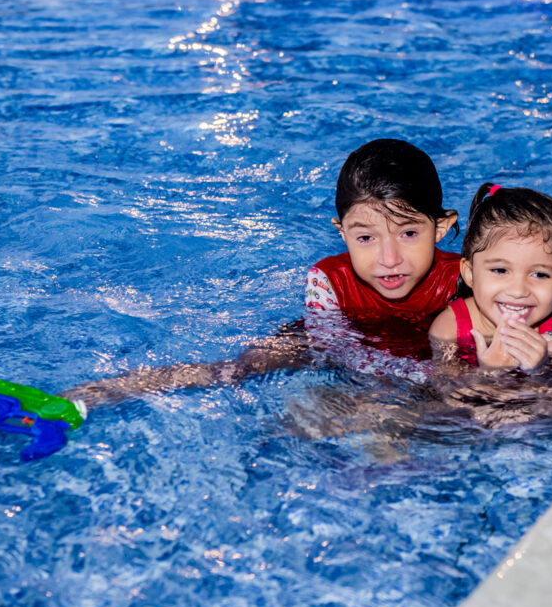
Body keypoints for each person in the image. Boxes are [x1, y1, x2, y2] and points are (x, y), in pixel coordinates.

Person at [59, 138, 462, 406]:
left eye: (409, 233)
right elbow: (334, 353)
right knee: (233, 370)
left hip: (420, 359)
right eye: (366, 238)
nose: (389, 258)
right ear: (342, 233)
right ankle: (107, 390)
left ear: (441, 227)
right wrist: (399, 380)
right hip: (332, 344)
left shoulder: (467, 279)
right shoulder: (329, 280)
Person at [429, 183, 552, 375]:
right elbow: (448, 396)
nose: (518, 291)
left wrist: (541, 370)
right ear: (470, 274)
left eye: (540, 274)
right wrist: (490, 373)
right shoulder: (449, 329)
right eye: (500, 270)